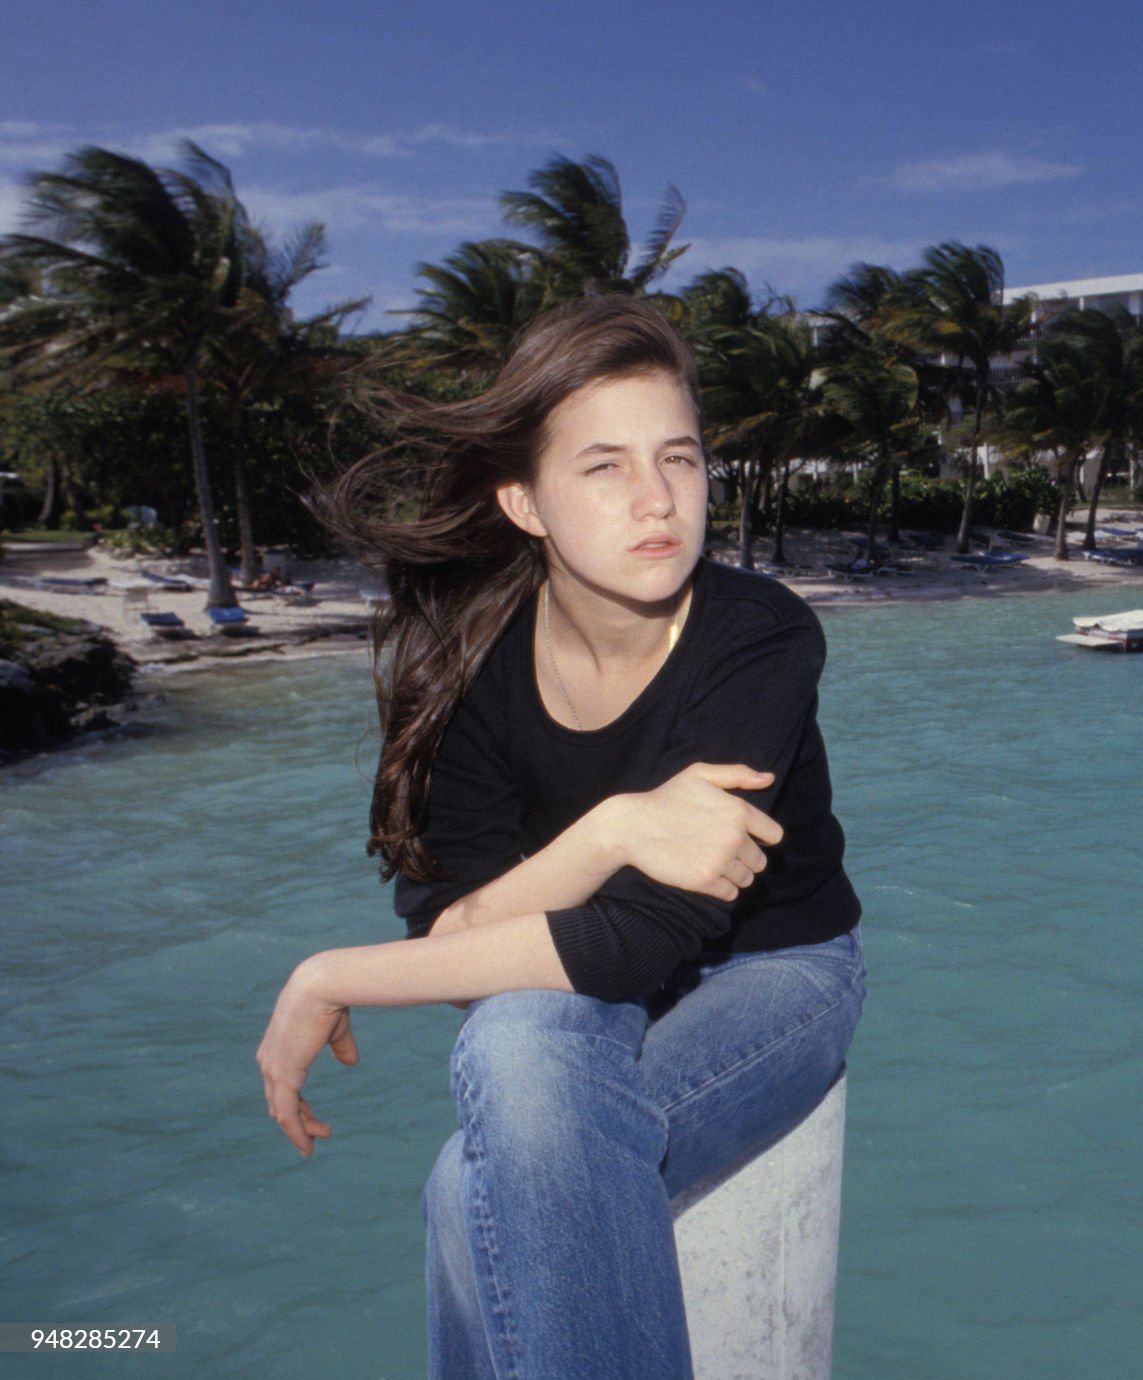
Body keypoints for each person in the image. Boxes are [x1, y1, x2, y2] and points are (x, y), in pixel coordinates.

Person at [254, 296, 865, 1378]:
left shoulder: (758, 635)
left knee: (471, 1182)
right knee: (509, 1062)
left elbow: (635, 938)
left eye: (679, 458)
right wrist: (614, 830)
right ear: (523, 501)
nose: (656, 498)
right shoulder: (469, 664)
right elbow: (452, 937)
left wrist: (332, 976)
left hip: (776, 972)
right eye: (603, 466)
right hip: (589, 969)